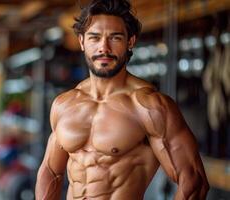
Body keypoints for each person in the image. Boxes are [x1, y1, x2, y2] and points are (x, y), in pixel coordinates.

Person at [35, 0, 209, 199]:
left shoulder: (149, 107)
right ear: (82, 42)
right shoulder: (64, 105)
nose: (104, 47)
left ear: (130, 41)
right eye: (95, 37)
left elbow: (194, 182)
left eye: (115, 38)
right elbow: (50, 171)